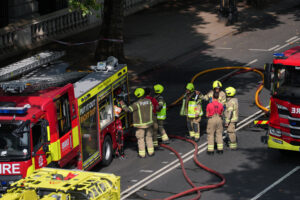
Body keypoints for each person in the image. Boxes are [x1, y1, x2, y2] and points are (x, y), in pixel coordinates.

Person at [120, 88, 154, 158]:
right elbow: (152, 108)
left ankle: (142, 154)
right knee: (149, 137)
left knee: (140, 139)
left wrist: (122, 104)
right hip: (149, 124)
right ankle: (151, 152)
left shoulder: (136, 104)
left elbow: (128, 110)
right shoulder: (149, 101)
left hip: (140, 125)